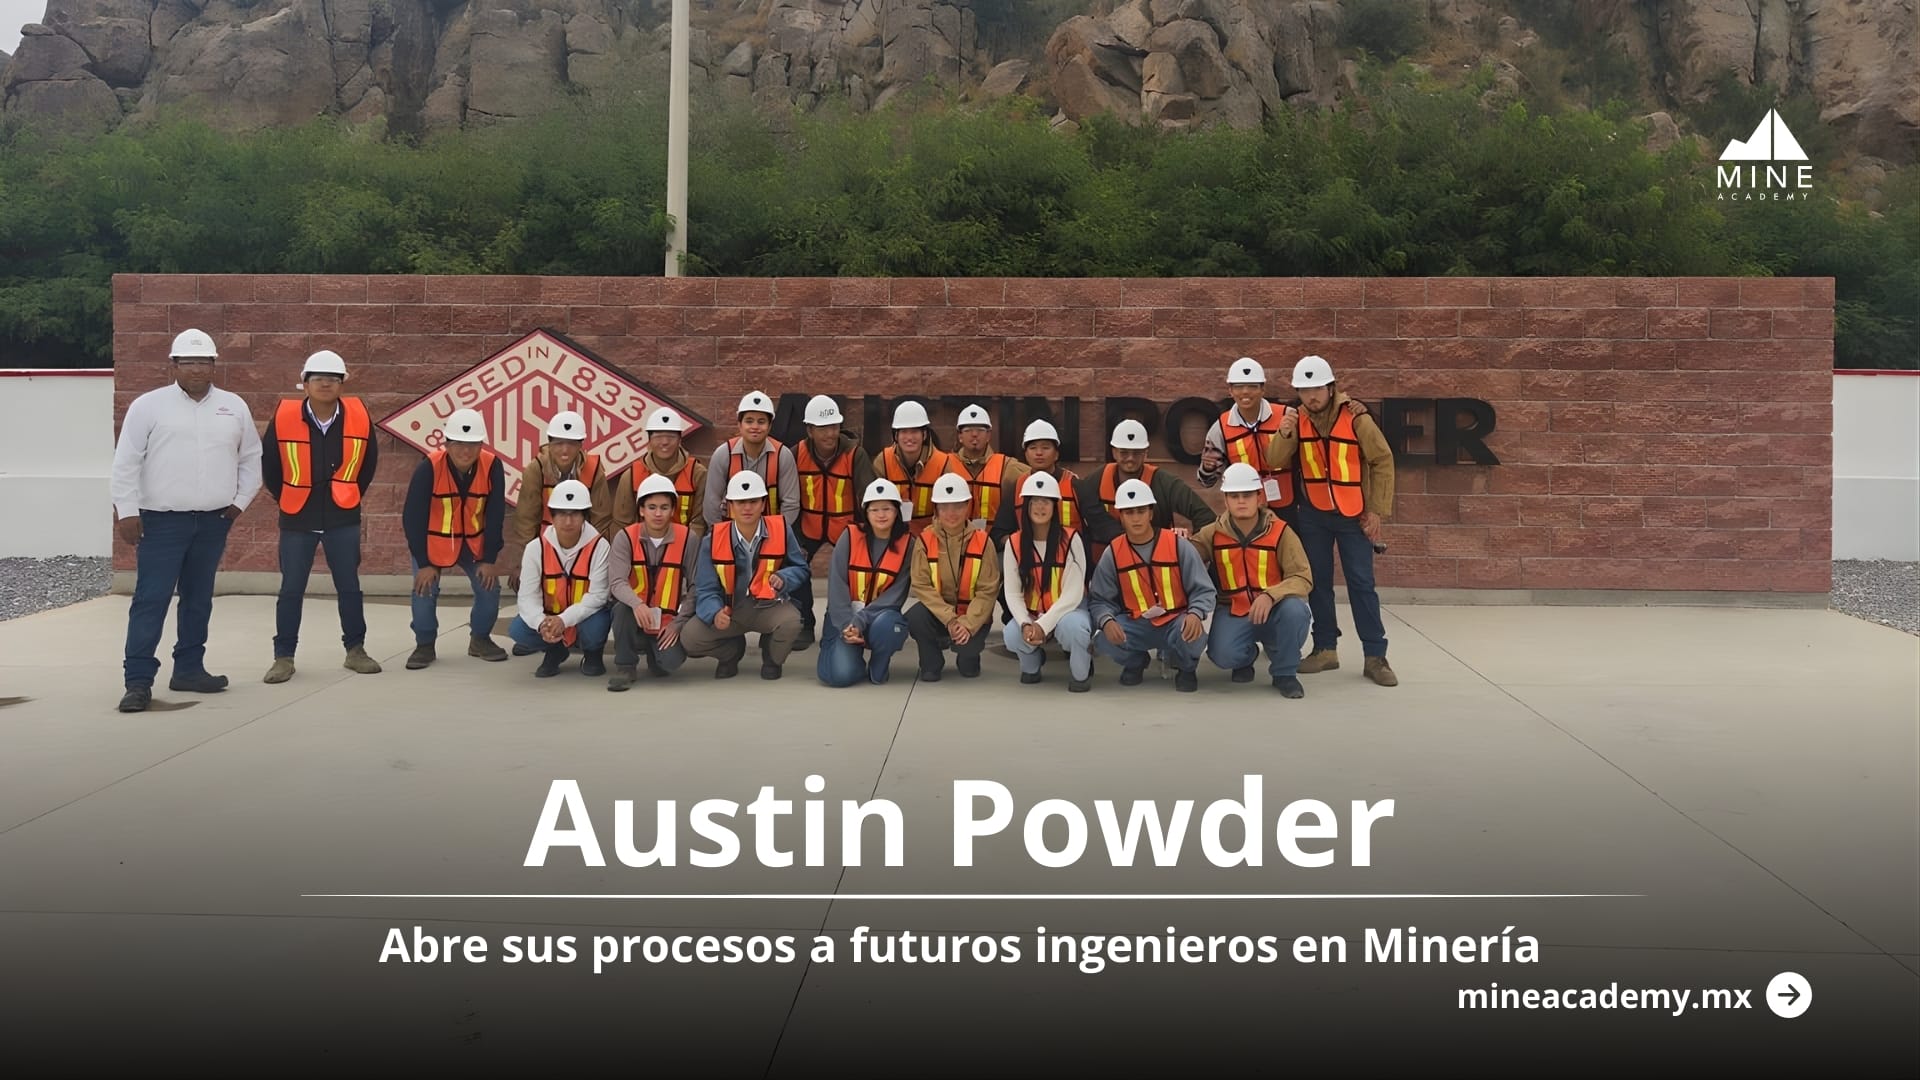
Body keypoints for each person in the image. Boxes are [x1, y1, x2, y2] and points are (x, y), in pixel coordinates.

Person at [111, 328, 263, 713]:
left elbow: (251, 459)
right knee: (151, 600)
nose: (197, 368)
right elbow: (126, 461)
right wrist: (126, 511)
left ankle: (190, 669)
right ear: (174, 364)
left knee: (198, 600)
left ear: (214, 364)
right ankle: (139, 682)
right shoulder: (149, 406)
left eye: (204, 361)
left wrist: (239, 503)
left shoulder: (234, 406)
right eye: (188, 362)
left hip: (213, 521)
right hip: (161, 523)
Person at [1273, 355, 1399, 687]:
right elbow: (1274, 460)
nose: (1311, 396)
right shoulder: (1296, 419)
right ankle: (1326, 649)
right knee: (1318, 583)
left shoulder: (1357, 417)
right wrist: (1284, 433)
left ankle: (1375, 655)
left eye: (1316, 388)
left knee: (1361, 584)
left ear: (1331, 387)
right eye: (1304, 390)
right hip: (1313, 514)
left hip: (1352, 513)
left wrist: (1376, 510)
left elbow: (1382, 461)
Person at [260, 349, 381, 684]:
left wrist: (349, 494)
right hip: (297, 517)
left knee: (349, 587)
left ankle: (355, 650)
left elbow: (368, 463)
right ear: (305, 383)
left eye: (333, 379)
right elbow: (270, 464)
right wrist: (286, 496)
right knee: (291, 589)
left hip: (343, 516)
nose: (326, 384)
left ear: (342, 383)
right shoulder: (284, 415)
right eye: (318, 379)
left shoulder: (358, 414)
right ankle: (284, 656)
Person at [1190, 463, 1313, 698]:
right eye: (1234, 496)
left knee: (1296, 611)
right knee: (1222, 656)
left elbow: (1302, 576)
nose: (1241, 501)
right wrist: (1176, 543)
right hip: (1235, 610)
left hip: (1275, 609)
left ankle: (1284, 673)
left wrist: (1271, 595)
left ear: (1259, 497)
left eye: (1247, 495)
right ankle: (1245, 657)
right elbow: (1186, 557)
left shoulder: (1281, 532)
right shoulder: (1212, 534)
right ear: (1225, 500)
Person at [401, 408, 509, 670]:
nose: (465, 452)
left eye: (472, 445)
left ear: (481, 445)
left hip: (474, 544)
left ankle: (480, 639)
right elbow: (412, 518)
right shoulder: (429, 468)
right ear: (447, 444)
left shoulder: (492, 465)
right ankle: (425, 644)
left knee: (489, 588)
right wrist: (425, 562)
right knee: (424, 590)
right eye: (459, 444)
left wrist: (488, 559)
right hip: (434, 543)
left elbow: (495, 515)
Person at [1088, 479, 1218, 693]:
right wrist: (1107, 620)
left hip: (1176, 621)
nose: (1136, 518)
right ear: (1120, 516)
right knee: (1104, 640)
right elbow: (1100, 599)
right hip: (1136, 622)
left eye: (1141, 511)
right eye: (1129, 513)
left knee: (1193, 633)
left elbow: (1204, 590)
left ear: (1151, 513)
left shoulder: (1178, 545)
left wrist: (1195, 613)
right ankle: (1136, 662)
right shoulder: (1113, 552)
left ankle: (1186, 668)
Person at [507, 410, 617, 654]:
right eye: (558, 444)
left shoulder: (594, 468)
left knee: (590, 599)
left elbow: (600, 515)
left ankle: (580, 638)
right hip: (547, 543)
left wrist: (592, 550)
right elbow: (527, 517)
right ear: (549, 443)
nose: (564, 450)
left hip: (583, 540)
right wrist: (522, 562)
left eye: (571, 443)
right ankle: (545, 635)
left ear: (581, 445)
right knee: (534, 595)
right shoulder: (536, 469)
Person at [682, 472, 810, 680]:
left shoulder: (781, 530)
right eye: (740, 502)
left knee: (792, 622)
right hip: (730, 608)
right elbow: (705, 588)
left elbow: (801, 568)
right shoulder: (712, 540)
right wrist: (714, 613)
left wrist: (785, 577)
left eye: (753, 501)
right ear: (730, 506)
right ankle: (731, 653)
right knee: (690, 638)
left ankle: (772, 658)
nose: (747, 508)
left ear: (763, 504)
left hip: (768, 606)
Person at [791, 394, 878, 653]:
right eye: (822, 428)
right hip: (809, 525)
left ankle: (840, 618)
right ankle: (804, 623)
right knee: (794, 566)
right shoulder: (797, 453)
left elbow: (868, 496)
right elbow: (790, 495)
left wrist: (865, 534)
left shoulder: (855, 454)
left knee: (851, 574)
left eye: (833, 427)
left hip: (847, 528)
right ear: (810, 430)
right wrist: (794, 536)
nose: (829, 434)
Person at [1075, 418, 1215, 569]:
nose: (1130, 458)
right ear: (1114, 452)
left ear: (1146, 453)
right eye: (1124, 452)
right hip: (1104, 567)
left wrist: (1187, 550)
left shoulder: (1164, 482)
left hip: (1156, 566)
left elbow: (1206, 517)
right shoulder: (1096, 480)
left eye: (1136, 453)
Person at [1000, 471, 1094, 692]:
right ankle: (1032, 665)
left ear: (1055, 506)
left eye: (1046, 502)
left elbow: (1073, 593)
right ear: (1026, 506)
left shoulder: (1071, 539)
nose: (1040, 507)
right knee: (1012, 634)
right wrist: (1025, 623)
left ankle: (1081, 672)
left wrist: (1043, 625)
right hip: (1032, 614)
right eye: (1034, 501)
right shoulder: (1014, 543)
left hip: (1067, 612)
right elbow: (1012, 593)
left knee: (1075, 629)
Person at [817, 479, 916, 688]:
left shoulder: (908, 544)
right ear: (866, 513)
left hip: (879, 618)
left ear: (897, 511)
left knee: (890, 625)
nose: (881, 515)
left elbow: (896, 594)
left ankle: (880, 661)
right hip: (844, 619)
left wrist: (861, 620)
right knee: (840, 676)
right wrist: (848, 625)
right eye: (875, 510)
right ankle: (847, 652)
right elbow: (838, 585)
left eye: (887, 509)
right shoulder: (850, 537)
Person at [510, 479, 612, 678]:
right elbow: (527, 597)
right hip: (550, 616)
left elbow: (598, 596)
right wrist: (542, 624)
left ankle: (593, 654)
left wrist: (564, 620)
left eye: (574, 514)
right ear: (552, 516)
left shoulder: (600, 547)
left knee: (597, 626)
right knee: (518, 630)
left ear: (585, 516)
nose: (568, 521)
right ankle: (555, 651)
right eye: (562, 514)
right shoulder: (535, 548)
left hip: (586, 615)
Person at [905, 473, 1002, 681]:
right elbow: (921, 585)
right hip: (939, 614)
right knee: (914, 617)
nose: (951, 513)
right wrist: (949, 618)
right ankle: (931, 662)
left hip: (972, 616)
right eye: (944, 506)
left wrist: (967, 624)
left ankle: (968, 656)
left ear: (967, 505)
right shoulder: (925, 539)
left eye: (958, 505)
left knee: (969, 669)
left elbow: (988, 590)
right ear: (936, 509)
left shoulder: (983, 541)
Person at [607, 474, 696, 691]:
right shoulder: (625, 537)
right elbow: (617, 581)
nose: (658, 513)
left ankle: (655, 655)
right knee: (620, 610)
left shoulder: (688, 538)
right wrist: (637, 604)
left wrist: (678, 624)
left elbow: (696, 586)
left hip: (668, 619)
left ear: (673, 510)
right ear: (641, 510)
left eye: (664, 507)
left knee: (670, 664)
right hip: (634, 615)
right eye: (652, 507)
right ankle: (625, 666)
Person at [703, 390, 799, 534]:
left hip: (772, 533)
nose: (755, 427)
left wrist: (776, 535)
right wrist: (721, 536)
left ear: (770, 426)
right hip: (731, 533)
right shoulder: (723, 455)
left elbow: (791, 504)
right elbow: (711, 503)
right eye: (749, 421)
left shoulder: (782, 456)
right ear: (739, 424)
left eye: (761, 421)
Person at [611, 406, 707, 537]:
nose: (665, 442)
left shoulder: (697, 474)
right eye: (658, 436)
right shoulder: (631, 475)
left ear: (680, 439)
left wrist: (685, 548)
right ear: (649, 440)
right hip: (641, 546)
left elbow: (699, 522)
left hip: (684, 546)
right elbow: (621, 523)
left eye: (671, 437)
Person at [990, 418, 1080, 545]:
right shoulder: (1017, 487)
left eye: (1045, 448)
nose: (1039, 453)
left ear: (1056, 454)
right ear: (1025, 454)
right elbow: (999, 533)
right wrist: (1018, 545)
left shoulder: (1075, 485)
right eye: (1033, 448)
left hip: (1069, 555)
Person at [874, 400, 953, 536]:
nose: (909, 437)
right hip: (892, 536)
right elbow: (874, 505)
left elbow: (949, 508)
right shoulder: (883, 460)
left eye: (915, 431)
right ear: (896, 435)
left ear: (924, 434)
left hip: (931, 538)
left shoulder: (943, 463)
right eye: (904, 431)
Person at [950, 403, 1030, 533]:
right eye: (968, 430)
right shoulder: (946, 465)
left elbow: (1036, 477)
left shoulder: (1007, 466)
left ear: (988, 435)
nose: (974, 434)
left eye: (981, 430)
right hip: (956, 542)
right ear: (960, 436)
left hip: (992, 544)